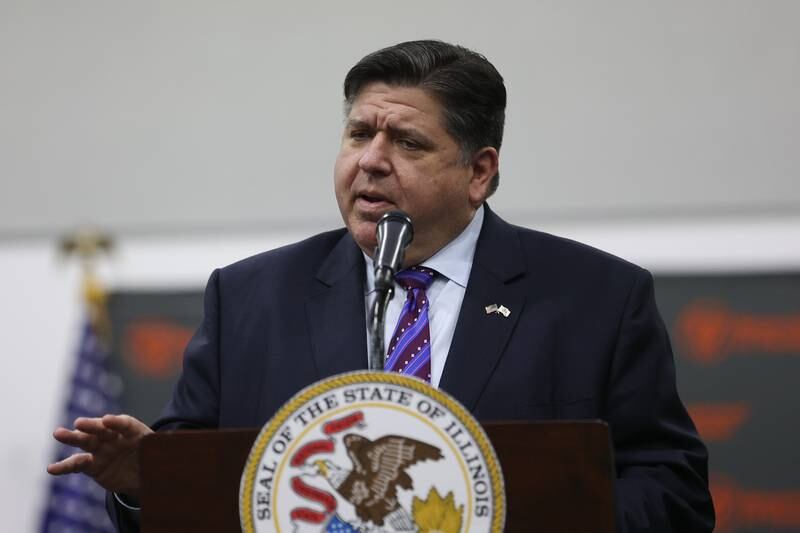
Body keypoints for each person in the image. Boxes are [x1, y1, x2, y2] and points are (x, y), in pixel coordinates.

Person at [48, 40, 715, 532]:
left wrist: (504, 515)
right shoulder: (250, 297)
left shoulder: (597, 298)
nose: (371, 160)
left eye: (407, 142)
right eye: (359, 132)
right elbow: (191, 491)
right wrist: (145, 483)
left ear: (479, 171)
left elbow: (673, 493)